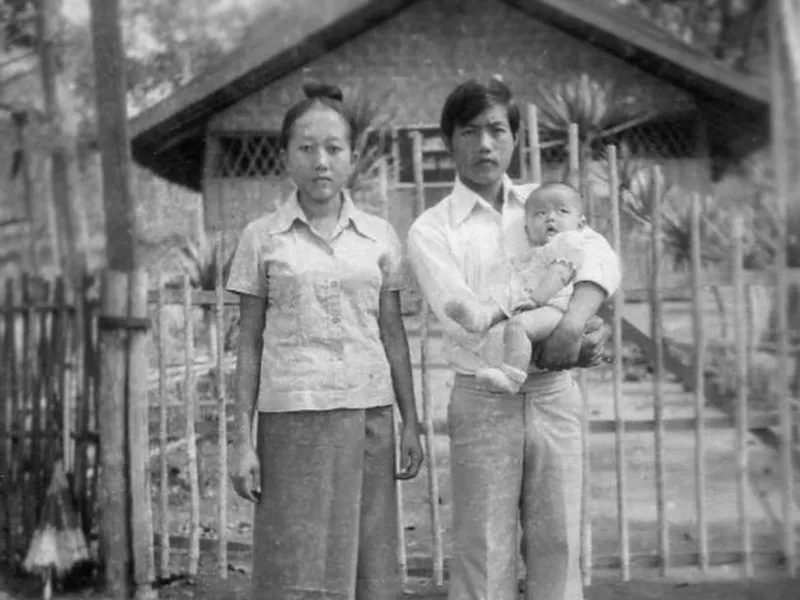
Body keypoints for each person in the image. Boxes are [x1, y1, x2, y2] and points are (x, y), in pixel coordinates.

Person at [407, 78, 621, 600]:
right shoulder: (433, 230)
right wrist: (563, 336)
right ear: (448, 140)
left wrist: (575, 325)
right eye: (469, 131)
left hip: (553, 395)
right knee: (483, 550)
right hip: (483, 399)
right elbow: (464, 321)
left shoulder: (546, 205)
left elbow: (601, 260)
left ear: (515, 138)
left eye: (497, 130)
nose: (484, 144)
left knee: (559, 543)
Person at [227, 82, 424, 600]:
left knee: (368, 568)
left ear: (353, 158)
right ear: (284, 156)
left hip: (368, 417)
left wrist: (411, 422)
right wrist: (241, 440)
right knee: (295, 566)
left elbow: (393, 333)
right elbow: (247, 344)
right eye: (306, 147)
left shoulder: (380, 236)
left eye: (334, 148)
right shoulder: (261, 237)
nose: (321, 161)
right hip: (291, 419)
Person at [444, 182, 601, 394]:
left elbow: (559, 274)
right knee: (505, 293)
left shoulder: (569, 241)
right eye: (540, 214)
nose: (550, 217)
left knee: (518, 326)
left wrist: (536, 300)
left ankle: (512, 376)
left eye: (562, 211)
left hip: (557, 306)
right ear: (527, 228)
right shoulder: (538, 251)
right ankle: (481, 316)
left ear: (581, 224)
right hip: (538, 300)